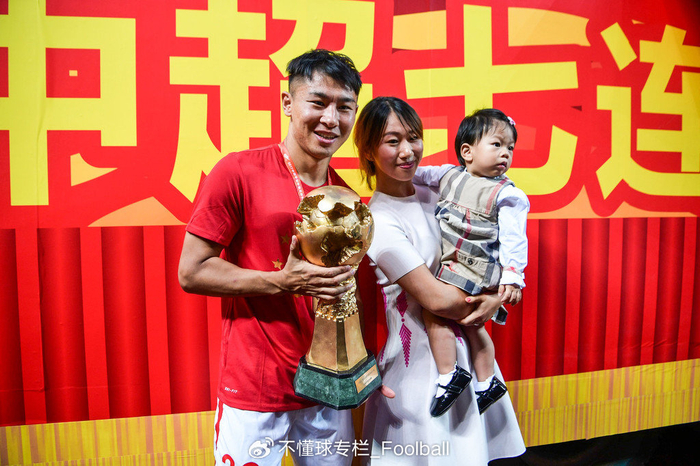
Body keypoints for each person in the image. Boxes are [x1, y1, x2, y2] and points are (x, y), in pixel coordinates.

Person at [178, 49, 365, 466]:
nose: (331, 119)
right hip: (255, 388)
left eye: (344, 107)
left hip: (327, 387)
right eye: (318, 102)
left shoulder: (347, 199)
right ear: (287, 103)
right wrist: (283, 281)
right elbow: (191, 271)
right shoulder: (238, 171)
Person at [355, 97, 525, 465]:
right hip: (418, 370)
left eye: (413, 138)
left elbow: (495, 245)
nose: (407, 151)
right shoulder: (377, 220)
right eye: (392, 141)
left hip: (469, 357)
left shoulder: (442, 190)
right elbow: (437, 300)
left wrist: (498, 292)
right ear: (368, 150)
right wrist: (491, 300)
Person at [413, 108, 530, 417]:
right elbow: (414, 173)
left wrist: (513, 276)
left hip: (477, 270)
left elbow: (514, 238)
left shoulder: (507, 195)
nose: (505, 153)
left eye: (510, 148)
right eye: (497, 144)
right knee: (472, 325)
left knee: (434, 311)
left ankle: (449, 375)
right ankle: (486, 382)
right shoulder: (447, 175)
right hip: (455, 266)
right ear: (467, 152)